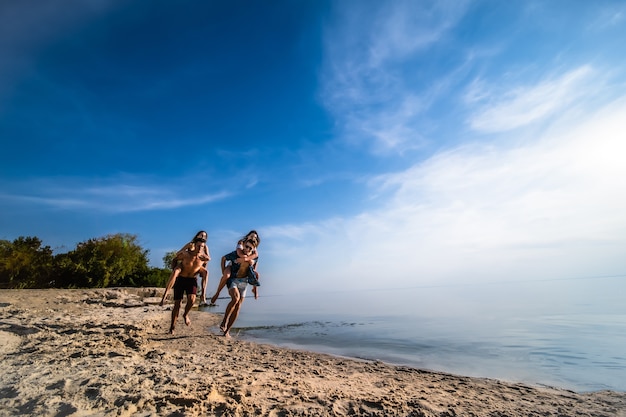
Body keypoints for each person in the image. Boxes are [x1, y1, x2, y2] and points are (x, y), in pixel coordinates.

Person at [160, 241, 209, 334]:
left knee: (192, 299)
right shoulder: (186, 254)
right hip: (181, 279)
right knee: (177, 304)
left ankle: (185, 314)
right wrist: (175, 266)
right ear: (194, 246)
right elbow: (175, 258)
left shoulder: (203, 258)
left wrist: (203, 293)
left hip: (191, 280)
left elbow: (204, 271)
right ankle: (172, 328)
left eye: (202, 247)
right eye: (198, 246)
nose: (199, 248)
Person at [209, 230, 260, 305]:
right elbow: (239, 253)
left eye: (255, 237)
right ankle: (217, 293)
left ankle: (255, 290)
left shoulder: (253, 245)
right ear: (248, 236)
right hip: (233, 264)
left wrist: (249, 261)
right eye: (252, 236)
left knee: (256, 274)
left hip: (245, 264)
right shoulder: (241, 242)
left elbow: (255, 255)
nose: (253, 238)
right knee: (226, 276)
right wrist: (246, 258)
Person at [219, 239, 258, 338]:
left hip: (244, 282)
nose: (247, 249)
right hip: (234, 279)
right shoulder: (236, 253)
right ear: (243, 245)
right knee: (235, 299)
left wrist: (255, 290)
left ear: (253, 249)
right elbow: (224, 258)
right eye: (246, 246)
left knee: (238, 307)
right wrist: (223, 271)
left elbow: (253, 269)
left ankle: (227, 330)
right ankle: (224, 321)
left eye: (250, 248)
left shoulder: (254, 257)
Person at [164, 231, 211, 305]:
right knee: (176, 271)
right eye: (201, 235)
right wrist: (185, 252)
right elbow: (178, 253)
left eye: (204, 236)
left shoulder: (205, 247)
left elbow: (208, 258)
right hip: (185, 264)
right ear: (197, 236)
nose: (202, 237)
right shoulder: (191, 244)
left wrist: (204, 257)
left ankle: (203, 294)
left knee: (206, 272)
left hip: (196, 267)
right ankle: (166, 293)